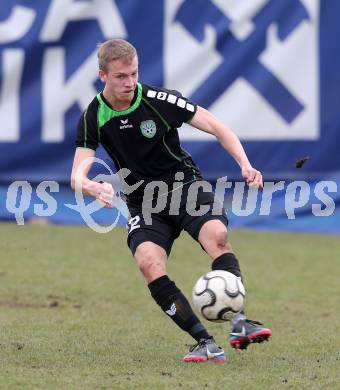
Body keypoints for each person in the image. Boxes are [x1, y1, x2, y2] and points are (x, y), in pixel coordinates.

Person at [71, 39, 271, 363]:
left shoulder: (158, 100)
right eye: (121, 76)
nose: (129, 82)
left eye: (134, 73)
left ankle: (239, 323)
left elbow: (217, 126)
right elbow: (77, 174)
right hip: (144, 203)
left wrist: (245, 164)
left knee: (217, 236)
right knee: (149, 263)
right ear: (102, 76)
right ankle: (205, 342)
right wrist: (91, 186)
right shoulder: (93, 115)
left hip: (184, 187)